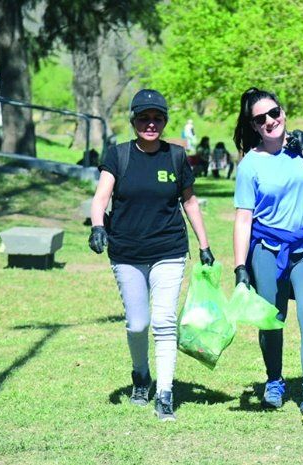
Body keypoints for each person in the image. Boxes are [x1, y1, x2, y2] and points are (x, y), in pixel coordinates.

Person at [88, 89, 214, 422]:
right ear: (133, 121)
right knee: (137, 324)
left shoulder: (176, 156)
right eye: (144, 118)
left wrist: (204, 245)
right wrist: (98, 226)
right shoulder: (119, 155)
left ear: (165, 121)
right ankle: (141, 375)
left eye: (157, 118)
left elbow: (190, 202)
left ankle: (165, 394)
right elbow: (101, 198)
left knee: (163, 320)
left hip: (168, 249)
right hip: (127, 251)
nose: (151, 124)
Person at [232, 87, 303, 425]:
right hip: (267, 249)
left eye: (274, 113)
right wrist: (240, 267)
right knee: (271, 319)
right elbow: (243, 218)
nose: (270, 121)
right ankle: (274, 380)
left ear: (283, 112)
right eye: (260, 118)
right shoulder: (250, 164)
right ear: (253, 125)